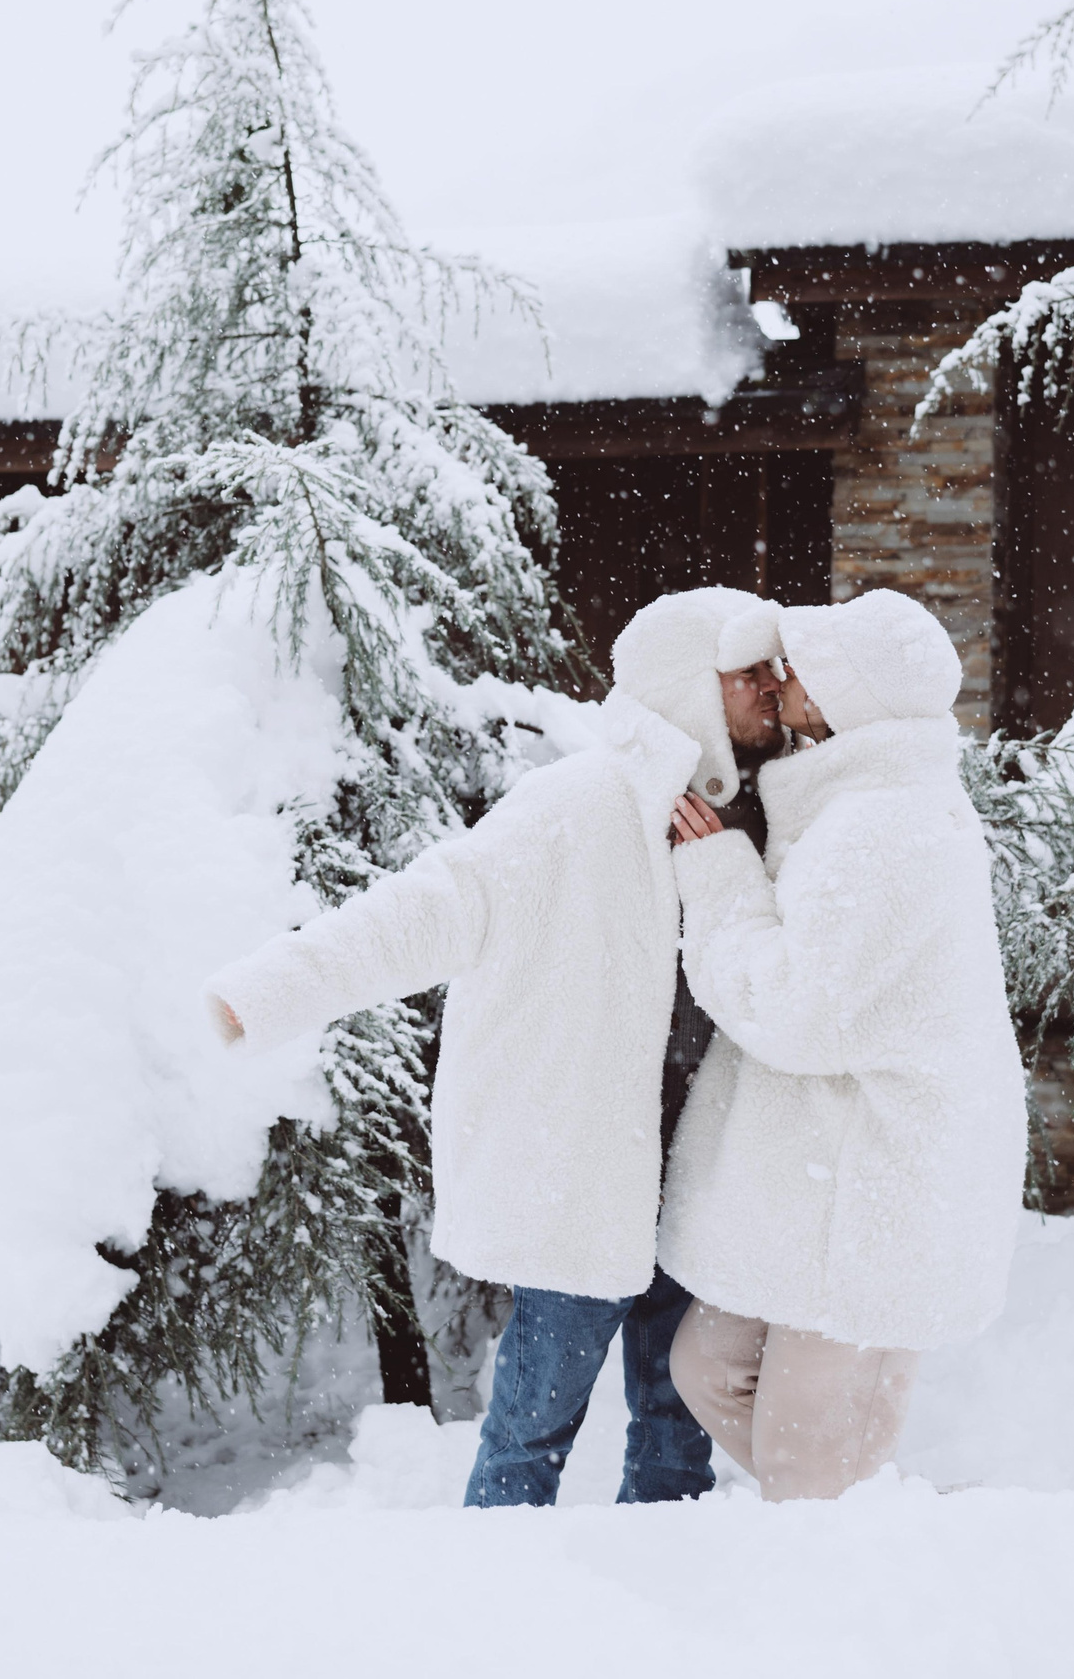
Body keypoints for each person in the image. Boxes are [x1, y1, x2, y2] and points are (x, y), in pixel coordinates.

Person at [205, 586, 786, 1506]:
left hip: (698, 1183)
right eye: (748, 672)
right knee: (529, 1436)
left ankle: (664, 1629)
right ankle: (493, 1618)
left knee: (678, 1445)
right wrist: (263, 994)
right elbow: (422, 910)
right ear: (689, 686)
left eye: (773, 670)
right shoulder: (573, 808)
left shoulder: (765, 816)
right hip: (585, 1185)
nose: (772, 688)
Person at [658, 588, 1027, 1502]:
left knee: (809, 1462)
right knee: (710, 1369)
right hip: (825, 1177)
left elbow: (793, 1008)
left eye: (803, 669)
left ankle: (846, 1591)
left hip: (872, 1190)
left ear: (845, 699)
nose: (780, 681)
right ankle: (847, 1516)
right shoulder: (859, 801)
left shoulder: (883, 828)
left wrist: (716, 879)